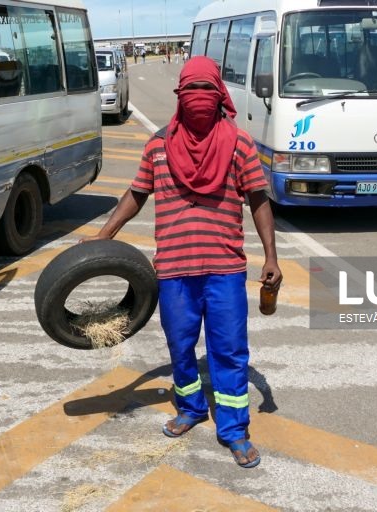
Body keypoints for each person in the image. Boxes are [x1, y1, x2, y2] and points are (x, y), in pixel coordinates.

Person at [84, 56, 282, 468]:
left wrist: (271, 256)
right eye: (190, 93)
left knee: (229, 352)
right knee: (180, 347)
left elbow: (259, 199)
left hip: (225, 271)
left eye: (206, 92)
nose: (198, 100)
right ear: (179, 97)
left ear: (219, 95)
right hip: (174, 271)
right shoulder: (158, 144)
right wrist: (101, 241)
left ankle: (234, 429)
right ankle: (190, 408)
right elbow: (136, 194)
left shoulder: (239, 143)